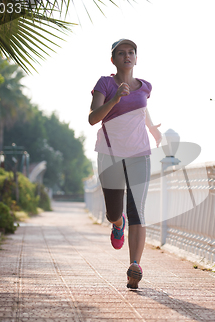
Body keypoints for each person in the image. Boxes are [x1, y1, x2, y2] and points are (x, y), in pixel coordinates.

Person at [88, 39, 162, 289]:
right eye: (121, 53)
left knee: (138, 211)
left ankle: (135, 266)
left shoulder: (145, 87)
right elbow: (92, 118)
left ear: (136, 58)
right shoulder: (105, 84)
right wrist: (115, 99)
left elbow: (141, 110)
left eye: (131, 52)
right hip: (109, 154)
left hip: (139, 153)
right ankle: (116, 224)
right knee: (113, 211)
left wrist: (152, 129)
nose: (127, 56)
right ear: (113, 59)